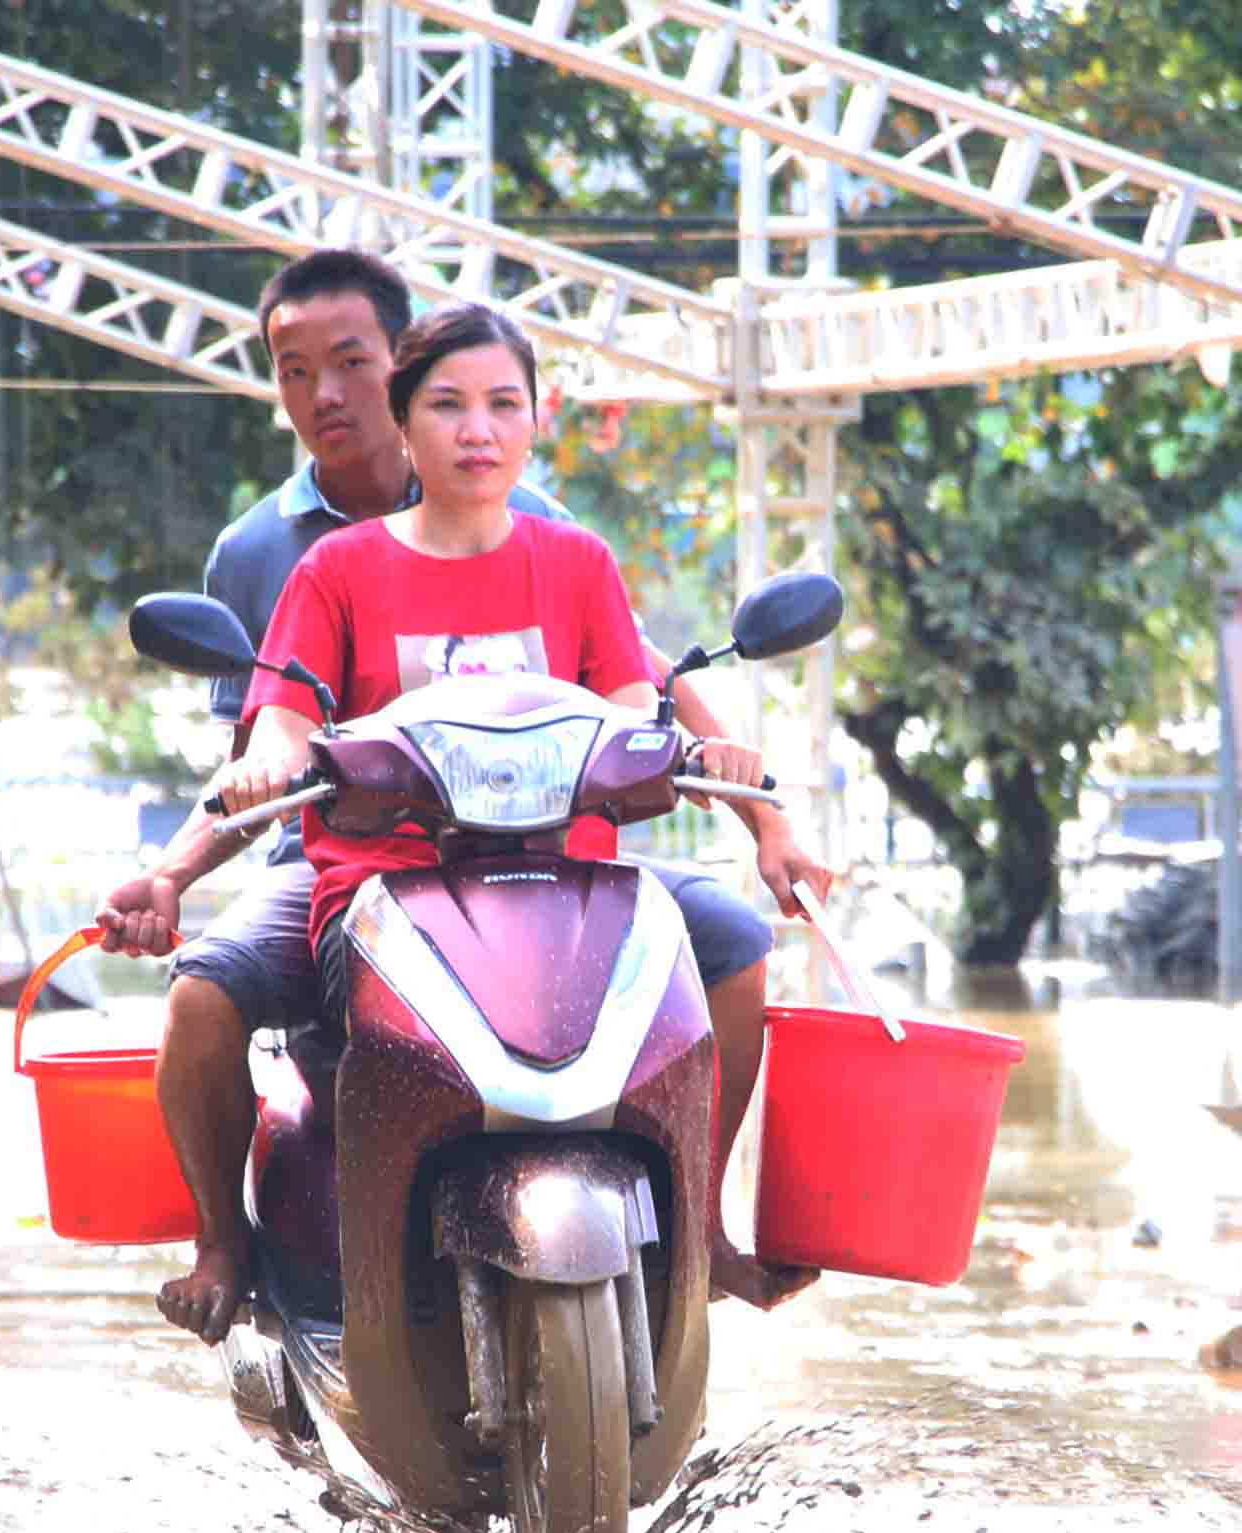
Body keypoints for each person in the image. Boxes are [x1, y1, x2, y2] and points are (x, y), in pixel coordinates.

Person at [99, 252, 826, 1345]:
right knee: (202, 1000)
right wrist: (191, 847)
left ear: (538, 423)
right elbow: (278, 728)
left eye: (502, 406)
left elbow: (640, 700)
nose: (476, 430)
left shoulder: (573, 555)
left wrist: (757, 799)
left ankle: (701, 1222)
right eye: (447, 406)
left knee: (729, 946)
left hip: (560, 872)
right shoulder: (324, 568)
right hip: (374, 879)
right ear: (411, 418)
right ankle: (226, 1238)